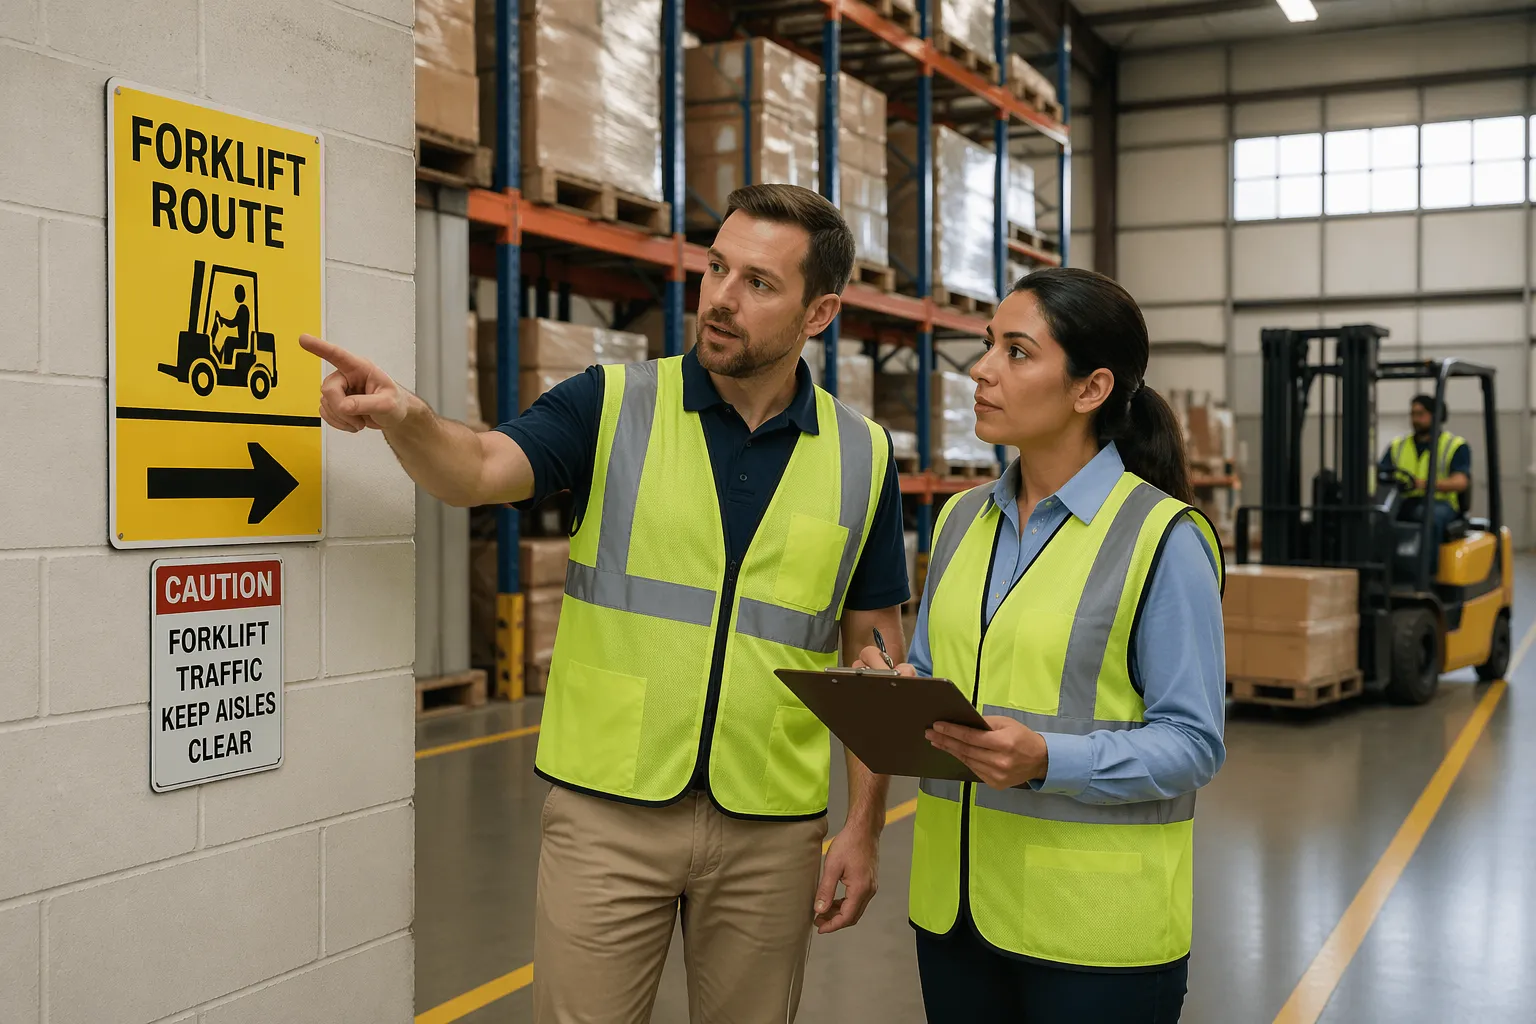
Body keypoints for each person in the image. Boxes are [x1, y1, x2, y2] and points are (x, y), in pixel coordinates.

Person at [299, 183, 910, 1024]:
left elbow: (874, 657)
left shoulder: (863, 456)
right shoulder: (613, 404)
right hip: (608, 816)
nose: (722, 299)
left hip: (771, 828)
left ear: (820, 313)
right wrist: (405, 419)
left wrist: (865, 827)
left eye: (759, 283)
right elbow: (476, 468)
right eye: (717, 267)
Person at [854, 267, 1226, 1023]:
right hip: (956, 913)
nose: (982, 370)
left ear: (1091, 389)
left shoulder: (1163, 538)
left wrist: (1050, 760)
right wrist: (893, 685)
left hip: (1093, 934)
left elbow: (1193, 743)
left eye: (1017, 353)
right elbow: (938, 672)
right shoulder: (961, 521)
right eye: (988, 345)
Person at [1380, 394, 1470, 540]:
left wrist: (1423, 484)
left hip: (1441, 504)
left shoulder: (1455, 445)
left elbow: (1460, 482)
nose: (1415, 420)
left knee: (1429, 518)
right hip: (1405, 501)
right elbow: (1381, 473)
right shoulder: (1398, 445)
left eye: (1420, 414)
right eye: (1413, 414)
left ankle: (1429, 563)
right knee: (1377, 517)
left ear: (1436, 416)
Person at [216, 283, 251, 365]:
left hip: (243, 341)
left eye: (237, 293)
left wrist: (223, 320)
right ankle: (220, 358)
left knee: (229, 341)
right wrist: (222, 320)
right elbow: (233, 322)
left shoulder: (243, 309)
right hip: (242, 340)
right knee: (228, 340)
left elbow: (233, 323)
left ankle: (227, 364)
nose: (236, 296)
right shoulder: (243, 308)